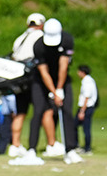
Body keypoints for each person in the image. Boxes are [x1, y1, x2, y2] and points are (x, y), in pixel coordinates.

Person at [31, 18, 83, 165]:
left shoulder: (67, 40)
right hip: (40, 81)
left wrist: (59, 89)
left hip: (62, 78)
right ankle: (31, 151)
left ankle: (70, 150)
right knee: (38, 111)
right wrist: (53, 92)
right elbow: (43, 72)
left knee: (66, 110)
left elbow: (63, 66)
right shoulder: (39, 46)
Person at [8, 13, 44, 157]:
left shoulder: (19, 39)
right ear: (41, 24)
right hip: (34, 78)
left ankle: (15, 144)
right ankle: (51, 143)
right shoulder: (40, 36)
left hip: (18, 78)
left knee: (20, 112)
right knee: (42, 109)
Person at [76, 64, 98, 154]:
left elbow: (86, 97)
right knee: (75, 126)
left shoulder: (87, 82)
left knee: (85, 128)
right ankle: (78, 145)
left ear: (82, 72)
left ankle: (87, 148)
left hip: (86, 108)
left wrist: (82, 111)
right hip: (86, 107)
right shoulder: (89, 80)